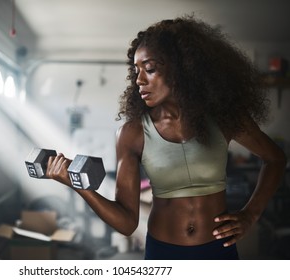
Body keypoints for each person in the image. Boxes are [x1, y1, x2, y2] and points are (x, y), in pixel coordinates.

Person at [45, 15, 287, 259]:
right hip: (163, 252)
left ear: (182, 69)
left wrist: (251, 214)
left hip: (218, 251)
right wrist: (77, 184)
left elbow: (275, 159)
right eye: (136, 71)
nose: (139, 80)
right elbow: (127, 223)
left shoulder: (225, 117)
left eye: (149, 69)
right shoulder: (132, 133)